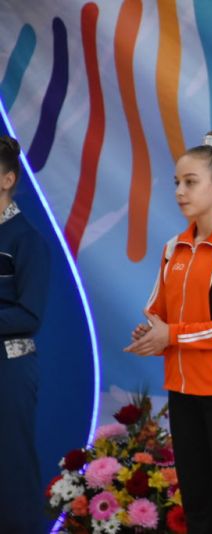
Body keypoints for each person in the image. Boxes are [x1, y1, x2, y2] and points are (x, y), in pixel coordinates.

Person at [125, 130, 212, 534]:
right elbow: (158, 311)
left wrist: (171, 335)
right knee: (196, 503)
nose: (180, 192)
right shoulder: (174, 248)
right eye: (176, 183)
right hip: (182, 391)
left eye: (190, 182)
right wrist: (150, 332)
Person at [0, 135, 50, 533]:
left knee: (11, 464)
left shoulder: (26, 239)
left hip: (9, 369)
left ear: (8, 179)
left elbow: (29, 315)